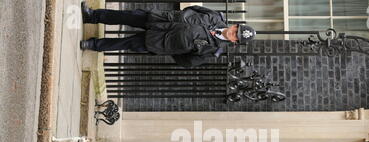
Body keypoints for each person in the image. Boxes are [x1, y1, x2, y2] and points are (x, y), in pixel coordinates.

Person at [79, 2, 256, 67]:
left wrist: (173, 48)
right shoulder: (215, 17)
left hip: (162, 42)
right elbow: (193, 9)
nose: (232, 32)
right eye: (235, 29)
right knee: (127, 16)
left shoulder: (214, 50)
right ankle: (92, 16)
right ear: (234, 25)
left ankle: (93, 45)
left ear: (234, 41)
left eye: (235, 35)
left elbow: (187, 61)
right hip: (161, 20)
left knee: (126, 43)